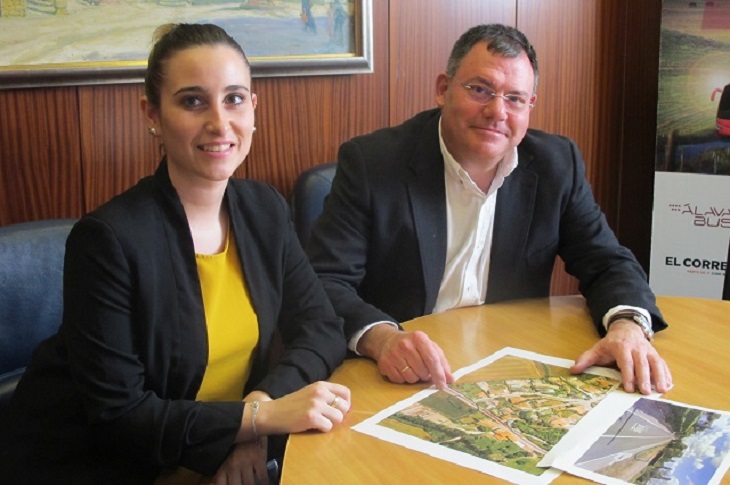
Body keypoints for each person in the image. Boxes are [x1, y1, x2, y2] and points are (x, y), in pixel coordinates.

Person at [0, 23, 349, 484]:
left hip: (214, 454)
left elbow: (321, 328)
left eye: (234, 98)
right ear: (152, 114)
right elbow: (120, 416)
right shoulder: (108, 240)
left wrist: (257, 412)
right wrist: (255, 423)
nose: (220, 123)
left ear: (253, 107)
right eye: (192, 101)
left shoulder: (264, 209)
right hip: (100, 467)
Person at [306, 23, 672, 397]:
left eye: (515, 98)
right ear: (443, 89)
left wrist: (627, 326)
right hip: (400, 373)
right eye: (480, 90)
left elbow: (608, 262)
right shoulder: (373, 163)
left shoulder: (555, 165)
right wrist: (382, 338)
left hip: (506, 368)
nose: (497, 111)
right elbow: (324, 280)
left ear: (530, 106)